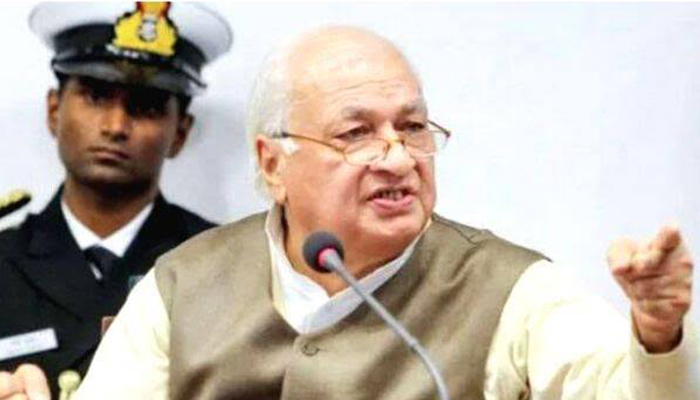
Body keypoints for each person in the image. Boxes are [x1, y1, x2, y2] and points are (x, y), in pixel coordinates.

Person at [9, 25, 700, 400]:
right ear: (273, 163)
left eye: (413, 128)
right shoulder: (183, 283)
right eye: (356, 133)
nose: (396, 157)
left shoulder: (513, 290)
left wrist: (659, 335)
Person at [0, 2, 232, 399]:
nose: (115, 126)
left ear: (180, 132)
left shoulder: (221, 266)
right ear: (54, 110)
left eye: (146, 107)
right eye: (95, 96)